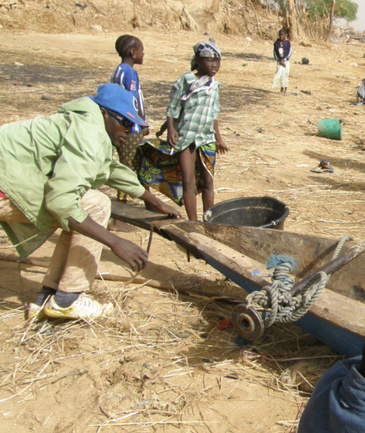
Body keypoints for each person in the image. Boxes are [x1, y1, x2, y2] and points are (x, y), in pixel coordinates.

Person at [0, 84, 181, 321]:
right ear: (105, 113)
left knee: (80, 214)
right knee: (94, 205)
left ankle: (49, 297)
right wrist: (115, 242)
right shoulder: (90, 132)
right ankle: (69, 298)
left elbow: (106, 167)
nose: (129, 131)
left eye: (133, 126)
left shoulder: (86, 123)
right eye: (125, 123)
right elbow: (62, 203)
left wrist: (150, 199)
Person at [138, 40, 228, 222]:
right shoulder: (184, 82)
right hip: (186, 138)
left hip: (206, 138)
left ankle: (208, 221)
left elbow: (214, 115)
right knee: (188, 181)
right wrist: (170, 129)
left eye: (217, 61)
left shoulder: (214, 86)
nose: (214, 65)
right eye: (209, 60)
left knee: (208, 181)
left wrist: (219, 138)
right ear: (198, 60)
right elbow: (173, 109)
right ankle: (193, 223)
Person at [110, 35, 148, 201]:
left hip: (120, 126)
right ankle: (122, 209)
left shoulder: (118, 71)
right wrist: (141, 123)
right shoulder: (130, 73)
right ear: (133, 53)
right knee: (130, 168)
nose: (143, 54)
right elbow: (132, 102)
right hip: (131, 128)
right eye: (141, 51)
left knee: (128, 166)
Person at [272, 29, 291, 94]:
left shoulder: (287, 43)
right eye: (280, 35)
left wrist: (284, 59)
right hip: (279, 62)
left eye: (282, 35)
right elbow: (274, 52)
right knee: (280, 75)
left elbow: (289, 52)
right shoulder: (276, 43)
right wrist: (279, 60)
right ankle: (281, 89)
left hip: (286, 62)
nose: (281, 36)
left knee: (285, 75)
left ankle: (285, 89)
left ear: (285, 35)